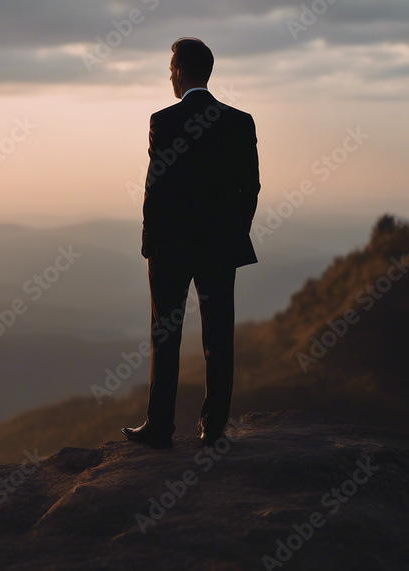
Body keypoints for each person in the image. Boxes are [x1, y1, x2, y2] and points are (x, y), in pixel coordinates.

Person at [122, 37, 260, 449]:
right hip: (219, 246)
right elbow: (250, 189)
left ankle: (159, 426)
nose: (169, 76)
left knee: (165, 334)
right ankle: (213, 428)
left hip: (171, 248)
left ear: (181, 71)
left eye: (170, 69)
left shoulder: (163, 120)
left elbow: (155, 189)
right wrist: (234, 235)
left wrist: (150, 242)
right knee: (219, 336)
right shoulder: (240, 121)